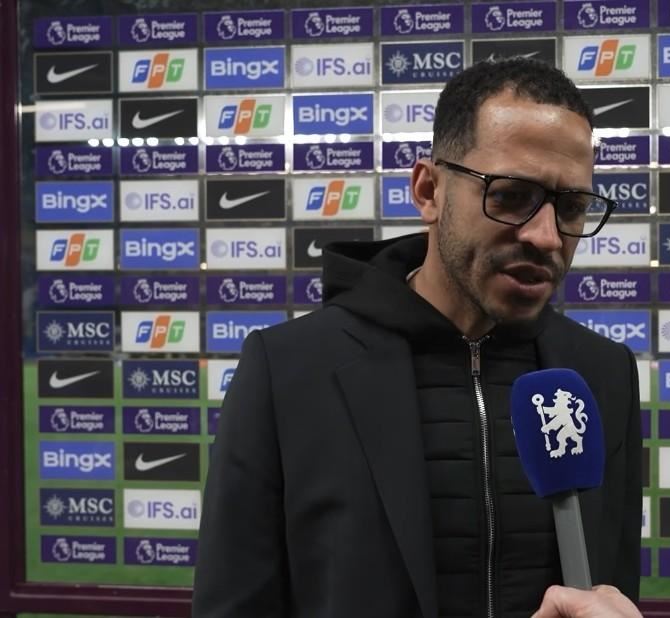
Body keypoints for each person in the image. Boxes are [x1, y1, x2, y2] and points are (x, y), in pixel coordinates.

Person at [193, 57, 642, 618]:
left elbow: (611, 586)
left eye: (571, 207)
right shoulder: (288, 371)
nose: (546, 236)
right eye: (510, 195)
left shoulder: (603, 374)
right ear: (429, 190)